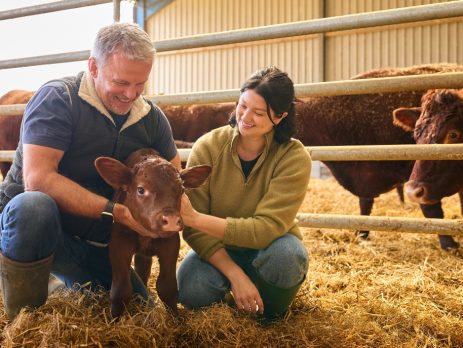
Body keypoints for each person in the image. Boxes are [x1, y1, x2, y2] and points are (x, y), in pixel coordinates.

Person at [0, 22, 181, 321]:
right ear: (94, 67)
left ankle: (59, 283)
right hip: (39, 230)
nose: (131, 94)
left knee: (139, 310)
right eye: (121, 82)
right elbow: (38, 179)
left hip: (95, 245)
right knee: (34, 206)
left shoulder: (151, 119)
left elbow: (175, 182)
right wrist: (117, 213)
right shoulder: (59, 99)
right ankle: (24, 318)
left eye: (140, 85)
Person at [178, 66, 311, 322]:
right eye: (242, 105)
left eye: (259, 113)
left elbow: (265, 228)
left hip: (270, 247)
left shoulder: (293, 157)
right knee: (190, 287)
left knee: (288, 257)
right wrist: (235, 275)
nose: (245, 117)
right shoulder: (207, 146)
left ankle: (268, 315)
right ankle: (237, 290)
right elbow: (194, 230)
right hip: (220, 250)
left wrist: (194, 219)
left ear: (281, 116)